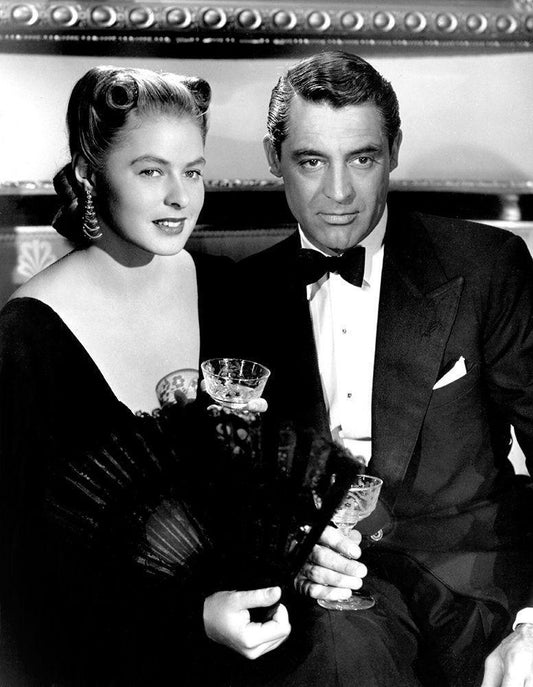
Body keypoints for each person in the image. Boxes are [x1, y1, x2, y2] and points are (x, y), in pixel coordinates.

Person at [236, 50, 533, 686]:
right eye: (311, 161)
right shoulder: (237, 297)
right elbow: (223, 486)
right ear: (273, 159)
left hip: (474, 580)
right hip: (330, 590)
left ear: (394, 151)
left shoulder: (488, 265)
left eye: (362, 158)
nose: (339, 192)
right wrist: (292, 551)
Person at [0, 65, 290, 687]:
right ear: (90, 176)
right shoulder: (27, 339)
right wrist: (194, 618)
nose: (181, 197)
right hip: (101, 656)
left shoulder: (227, 292)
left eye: (193, 171)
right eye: (152, 171)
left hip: (252, 634)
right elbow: (31, 574)